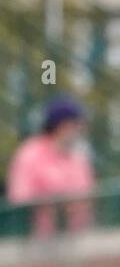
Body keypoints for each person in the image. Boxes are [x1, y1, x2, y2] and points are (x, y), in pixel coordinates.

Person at [5, 96, 95, 239]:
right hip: (36, 244)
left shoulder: (77, 156)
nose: (80, 129)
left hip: (75, 241)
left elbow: (87, 198)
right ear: (62, 125)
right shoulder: (30, 154)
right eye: (76, 124)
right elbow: (20, 200)